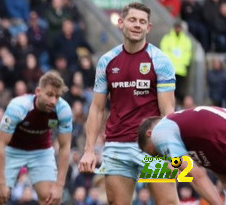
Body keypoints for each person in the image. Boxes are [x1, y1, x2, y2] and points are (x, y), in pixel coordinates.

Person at [78, 2, 179, 205]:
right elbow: (97, 108)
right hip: (117, 147)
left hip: (153, 147)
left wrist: (172, 153)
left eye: (142, 22)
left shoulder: (160, 61)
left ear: (149, 28)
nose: (137, 25)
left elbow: (168, 111)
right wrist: (89, 150)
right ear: (121, 23)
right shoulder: (107, 61)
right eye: (132, 20)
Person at [0, 71, 73, 205]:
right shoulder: (18, 107)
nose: (53, 101)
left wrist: (59, 186)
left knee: (51, 199)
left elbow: (65, 147)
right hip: (12, 150)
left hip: (41, 151)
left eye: (57, 96)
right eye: (49, 94)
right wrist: (1, 183)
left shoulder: (63, 110)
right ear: (38, 91)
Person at [138, 105, 226, 205]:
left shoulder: (159, 133)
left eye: (155, 153)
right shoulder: (193, 137)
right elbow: (224, 177)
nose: (162, 157)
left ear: (149, 133)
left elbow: (196, 176)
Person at [160, 20, 192, 105]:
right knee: (170, 92)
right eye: (177, 27)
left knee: (180, 92)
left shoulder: (186, 40)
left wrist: (185, 64)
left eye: (179, 27)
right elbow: (164, 52)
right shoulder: (167, 38)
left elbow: (187, 53)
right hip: (170, 71)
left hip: (181, 70)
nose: (178, 29)